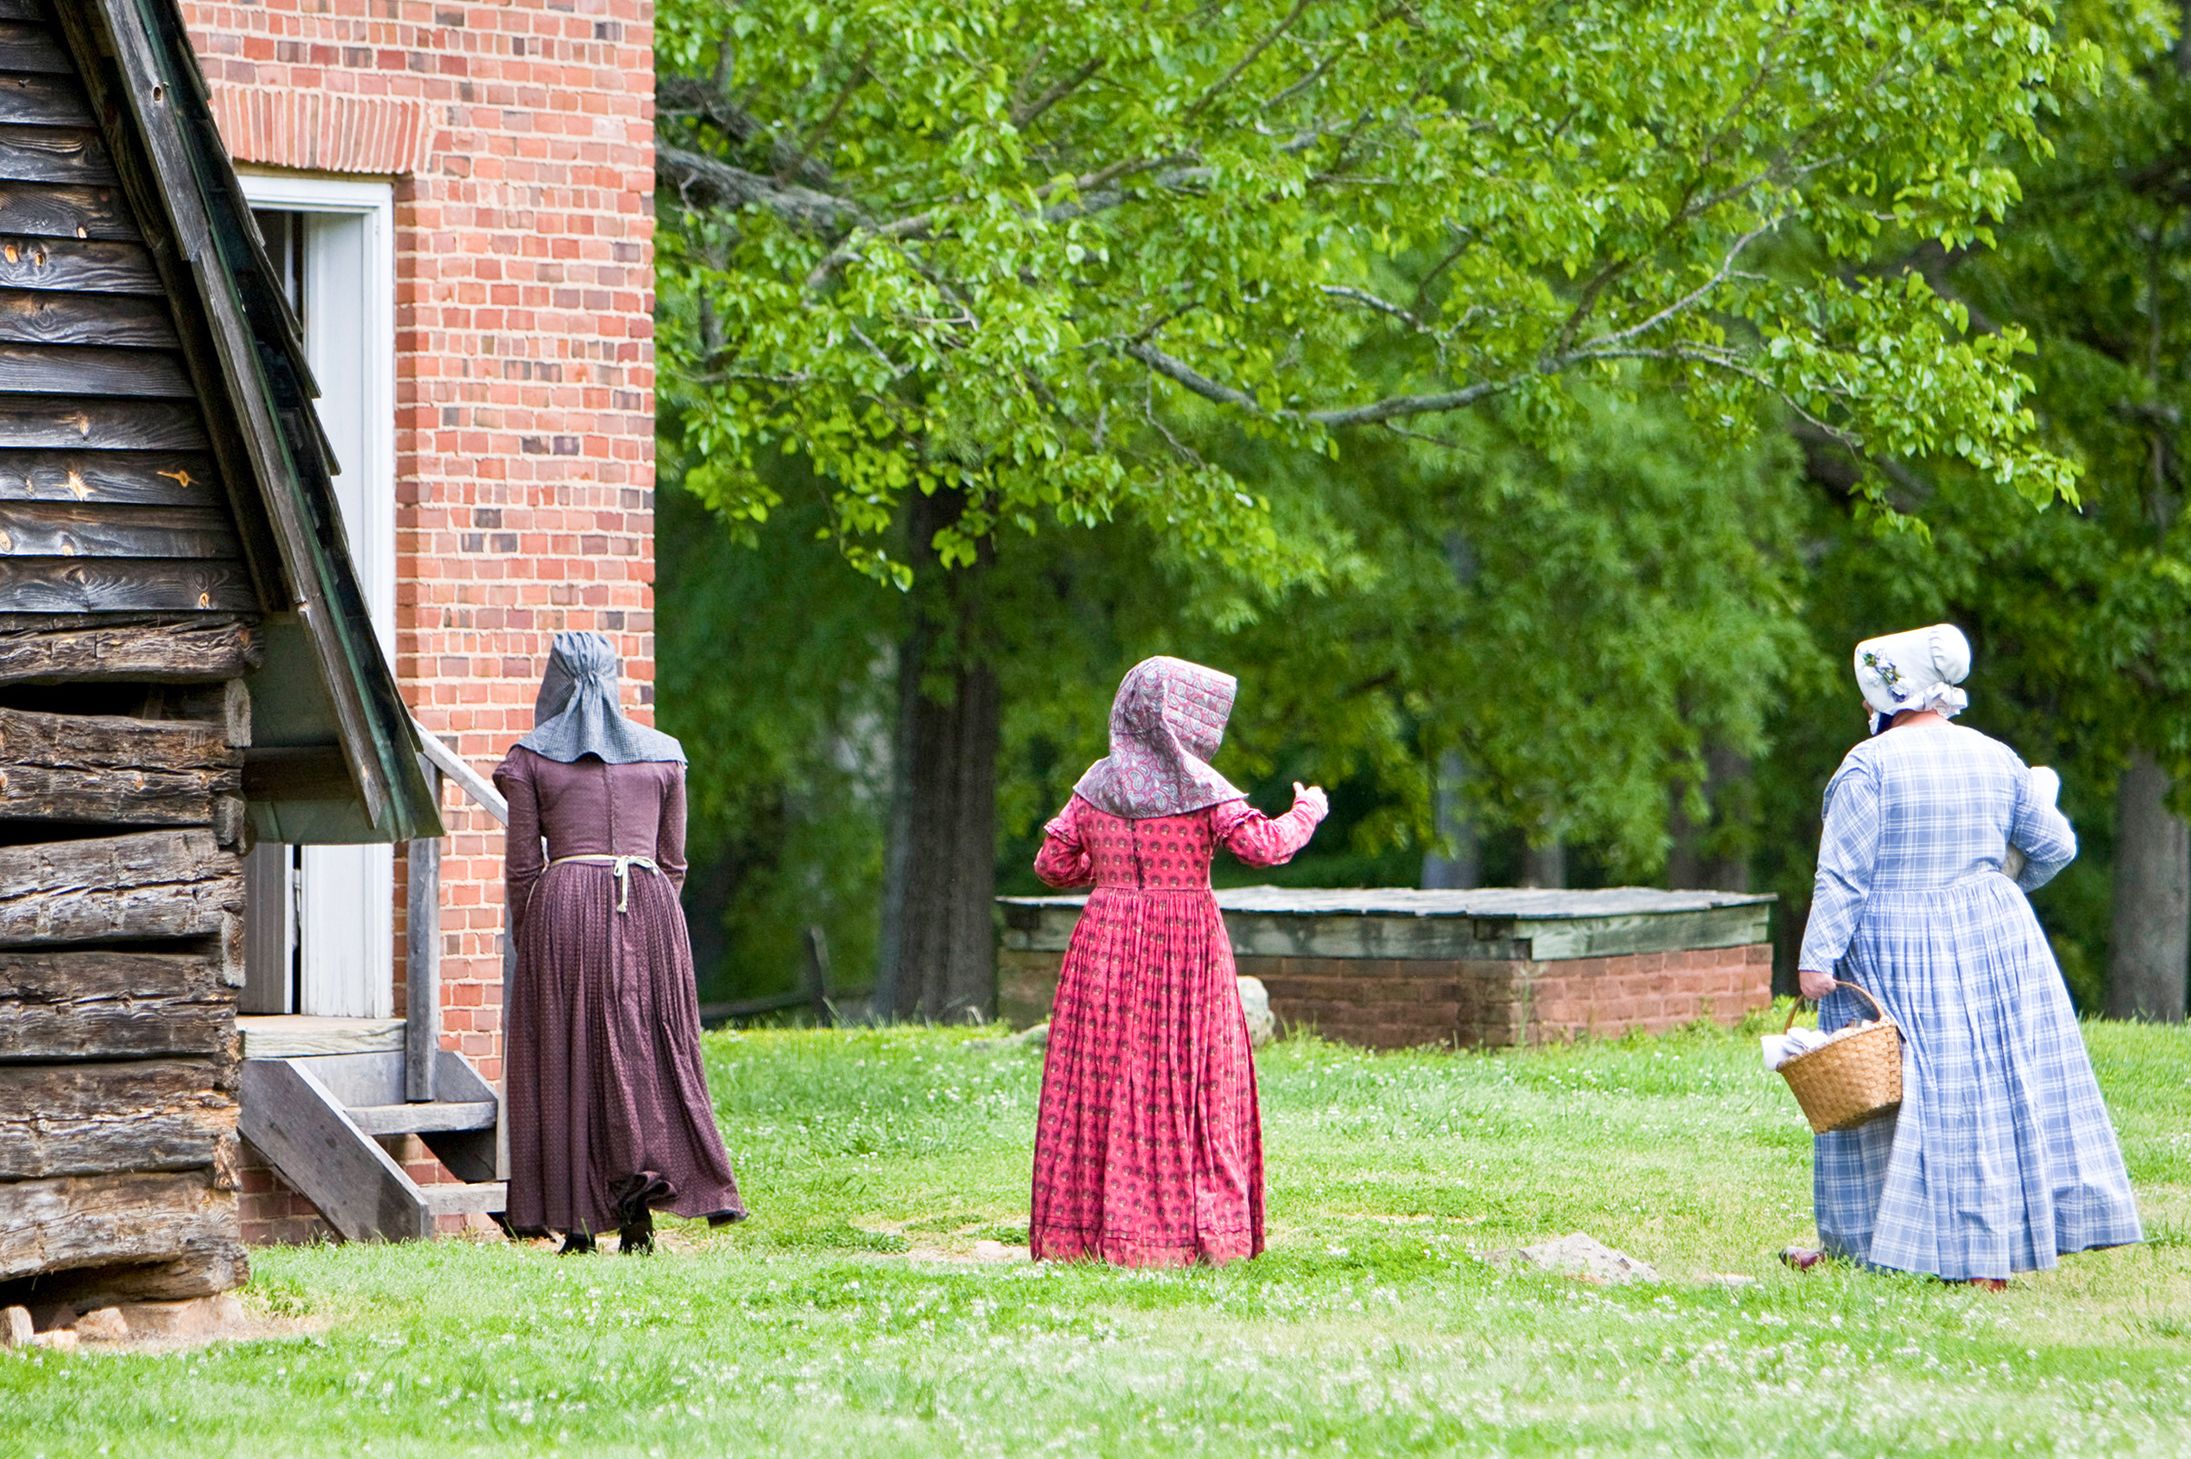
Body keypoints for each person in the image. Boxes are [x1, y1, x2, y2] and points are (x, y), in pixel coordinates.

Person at [1785, 624, 2141, 1286]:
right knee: (1983, 1091)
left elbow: (1842, 876)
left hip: (1893, 942)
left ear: (1886, 695)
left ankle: (1865, 1242)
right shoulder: (1995, 757)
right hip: (1993, 939)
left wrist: (1815, 962)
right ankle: (1986, 1253)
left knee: (1884, 1094)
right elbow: (2055, 845)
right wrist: (1996, 888)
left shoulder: (1867, 767)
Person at [1028, 656, 1329, 1267]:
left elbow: (1053, 864)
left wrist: (1110, 877)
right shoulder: (1204, 792)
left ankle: (1091, 1233)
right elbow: (1264, 847)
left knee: (1104, 1079)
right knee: (1191, 1078)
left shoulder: (1096, 785)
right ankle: (1195, 1234)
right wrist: (1308, 811)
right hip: (1185, 945)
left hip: (1106, 941)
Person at [495, 631, 746, 1253]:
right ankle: (641, 1214)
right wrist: (651, 924)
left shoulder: (531, 759)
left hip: (564, 910)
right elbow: (674, 860)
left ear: (555, 684)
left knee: (567, 1054)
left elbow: (524, 868)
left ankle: (578, 1224)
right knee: (648, 1053)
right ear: (613, 678)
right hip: (650, 907)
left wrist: (536, 939)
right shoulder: (665, 756)